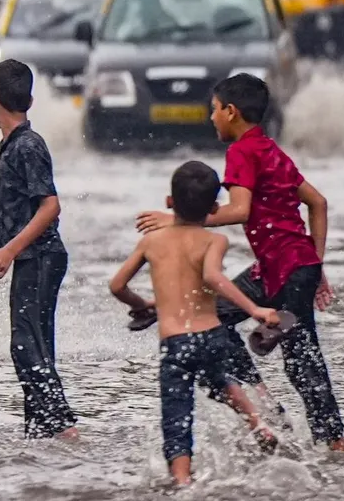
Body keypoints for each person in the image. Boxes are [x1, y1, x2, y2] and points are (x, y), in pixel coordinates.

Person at [136, 73, 344, 452]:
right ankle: (264, 401)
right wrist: (315, 267)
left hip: (285, 269)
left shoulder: (241, 152)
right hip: (283, 267)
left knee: (302, 360)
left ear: (231, 112)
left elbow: (240, 209)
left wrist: (179, 219)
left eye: (214, 110)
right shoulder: (270, 150)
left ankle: (334, 444)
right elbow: (318, 203)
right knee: (215, 316)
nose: (211, 117)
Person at [112, 160, 281, 485]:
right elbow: (213, 278)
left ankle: (182, 480)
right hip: (211, 334)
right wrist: (255, 309)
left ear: (169, 203)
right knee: (220, 377)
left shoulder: (151, 241)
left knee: (177, 413)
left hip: (176, 344)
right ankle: (257, 423)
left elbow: (117, 286)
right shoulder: (214, 241)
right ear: (214, 208)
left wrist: (144, 304)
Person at [0, 60, 77, 440]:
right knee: (35, 346)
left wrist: (9, 251)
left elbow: (50, 206)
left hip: (41, 257)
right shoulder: (16, 145)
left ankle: (64, 430)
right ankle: (40, 433)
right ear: (28, 99)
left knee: (25, 345)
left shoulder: (28, 146)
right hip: (33, 254)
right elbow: (24, 206)